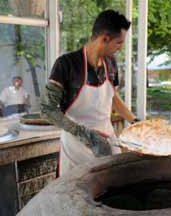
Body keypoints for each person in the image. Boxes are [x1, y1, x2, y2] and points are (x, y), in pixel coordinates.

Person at [41, 10, 138, 175]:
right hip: (76, 144)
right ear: (104, 39)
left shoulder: (111, 63)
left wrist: (136, 122)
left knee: (112, 186)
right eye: (119, 43)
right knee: (78, 194)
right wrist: (84, 133)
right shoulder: (66, 65)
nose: (120, 48)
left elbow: (112, 96)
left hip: (107, 137)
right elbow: (47, 110)